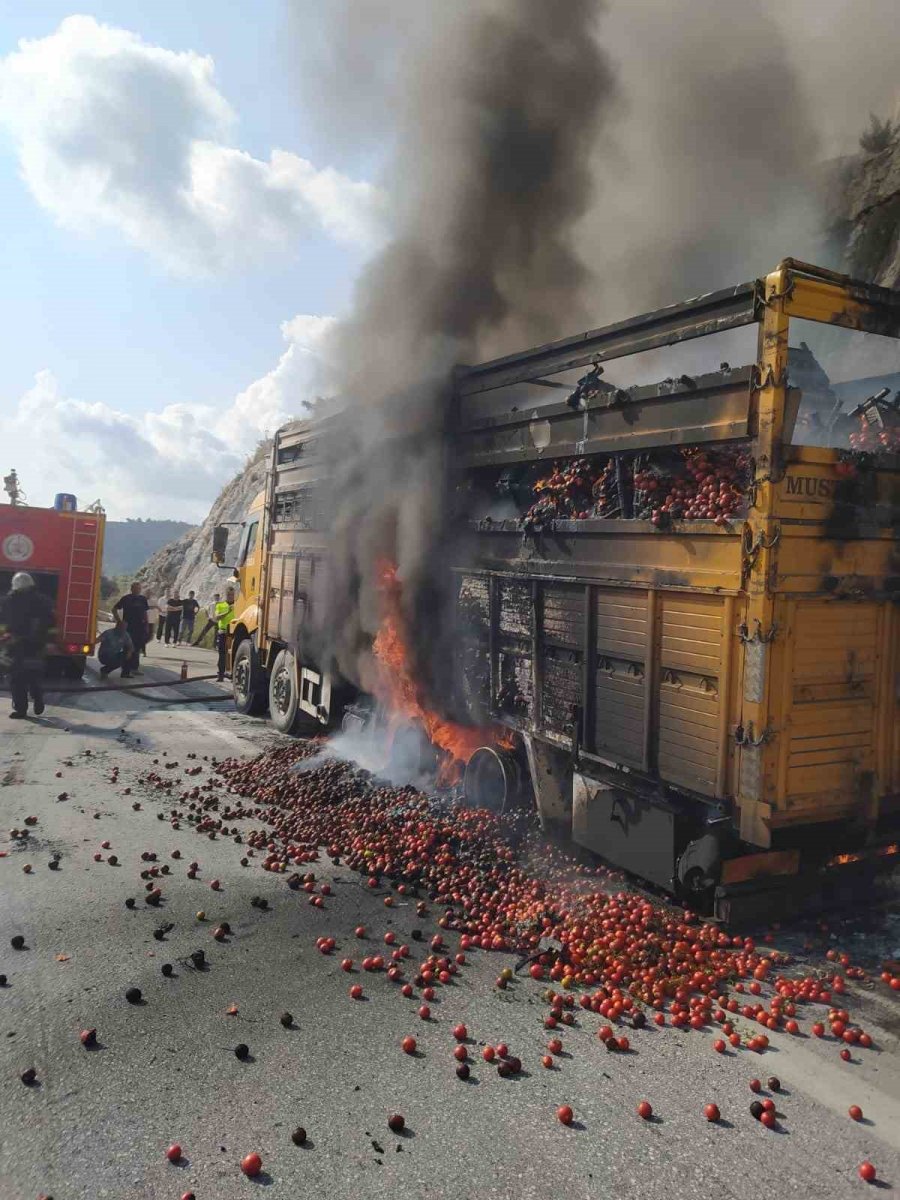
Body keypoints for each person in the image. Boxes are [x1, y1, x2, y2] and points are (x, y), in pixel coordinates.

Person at [0, 572, 55, 718]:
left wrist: (4, 638)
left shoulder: (9, 601)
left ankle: (21, 709)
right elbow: (51, 624)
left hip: (15, 646)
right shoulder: (44, 601)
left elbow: (3, 623)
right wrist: (49, 641)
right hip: (36, 647)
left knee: (16, 678)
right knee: (33, 675)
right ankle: (38, 699)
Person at [112, 581, 150, 677]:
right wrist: (119, 621)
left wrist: (147, 625)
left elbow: (145, 613)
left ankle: (134, 668)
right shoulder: (126, 598)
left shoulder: (143, 599)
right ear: (132, 589)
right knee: (128, 648)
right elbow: (114, 609)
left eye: (139, 588)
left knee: (137, 648)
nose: (138, 590)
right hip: (128, 627)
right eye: (136, 588)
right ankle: (125, 671)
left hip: (140, 627)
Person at [214, 586, 235, 681]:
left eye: (232, 595)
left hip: (234, 633)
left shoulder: (238, 605)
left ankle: (232, 674)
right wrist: (227, 611)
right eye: (229, 595)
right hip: (223, 632)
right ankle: (221, 674)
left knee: (233, 654)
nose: (230, 597)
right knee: (222, 654)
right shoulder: (220, 605)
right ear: (225, 595)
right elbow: (217, 617)